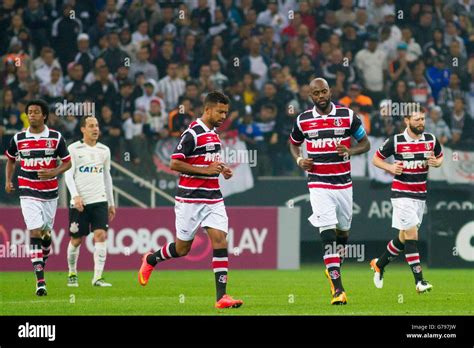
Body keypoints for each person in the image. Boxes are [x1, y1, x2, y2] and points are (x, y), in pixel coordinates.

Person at [138, 91, 243, 309]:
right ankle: (151, 260)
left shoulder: (213, 134)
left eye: (226, 112)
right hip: (190, 200)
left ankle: (221, 297)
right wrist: (206, 171)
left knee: (220, 241)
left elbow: (208, 161)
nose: (224, 116)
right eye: (220, 111)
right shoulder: (192, 134)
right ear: (207, 109)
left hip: (213, 198)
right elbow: (175, 164)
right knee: (182, 248)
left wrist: (222, 169)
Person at [289, 78, 370, 305]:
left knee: (342, 232)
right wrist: (299, 159)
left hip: (343, 183)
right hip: (318, 183)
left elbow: (366, 143)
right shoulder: (303, 120)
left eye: (324, 91)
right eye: (316, 93)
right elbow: (293, 142)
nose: (321, 96)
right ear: (310, 96)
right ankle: (338, 290)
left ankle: (333, 265)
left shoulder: (347, 115)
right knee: (327, 232)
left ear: (330, 91)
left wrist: (350, 150)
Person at [370, 110, 444, 293]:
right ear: (407, 121)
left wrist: (437, 162)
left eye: (423, 119)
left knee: (404, 237)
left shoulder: (430, 139)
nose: (421, 122)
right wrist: (390, 167)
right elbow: (375, 159)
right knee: (412, 235)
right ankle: (420, 282)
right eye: (417, 119)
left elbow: (440, 156)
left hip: (420, 196)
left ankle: (379, 264)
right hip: (402, 194)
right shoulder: (396, 141)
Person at [4, 99, 71, 296]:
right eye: (29, 112)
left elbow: (67, 162)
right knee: (34, 231)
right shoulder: (18, 138)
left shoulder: (55, 137)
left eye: (36, 112)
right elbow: (10, 160)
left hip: (50, 193)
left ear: (44, 116)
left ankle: (43, 254)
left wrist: (54, 172)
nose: (32, 115)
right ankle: (40, 281)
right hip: (27, 191)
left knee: (45, 234)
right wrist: (8, 181)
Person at [64, 115, 116, 287]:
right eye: (91, 126)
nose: (95, 129)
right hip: (80, 202)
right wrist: (75, 196)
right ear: (83, 129)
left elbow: (107, 176)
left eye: (97, 126)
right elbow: (68, 175)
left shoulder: (104, 150)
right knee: (76, 240)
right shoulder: (73, 149)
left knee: (101, 235)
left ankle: (97, 278)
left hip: (99, 200)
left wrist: (111, 202)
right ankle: (72, 273)